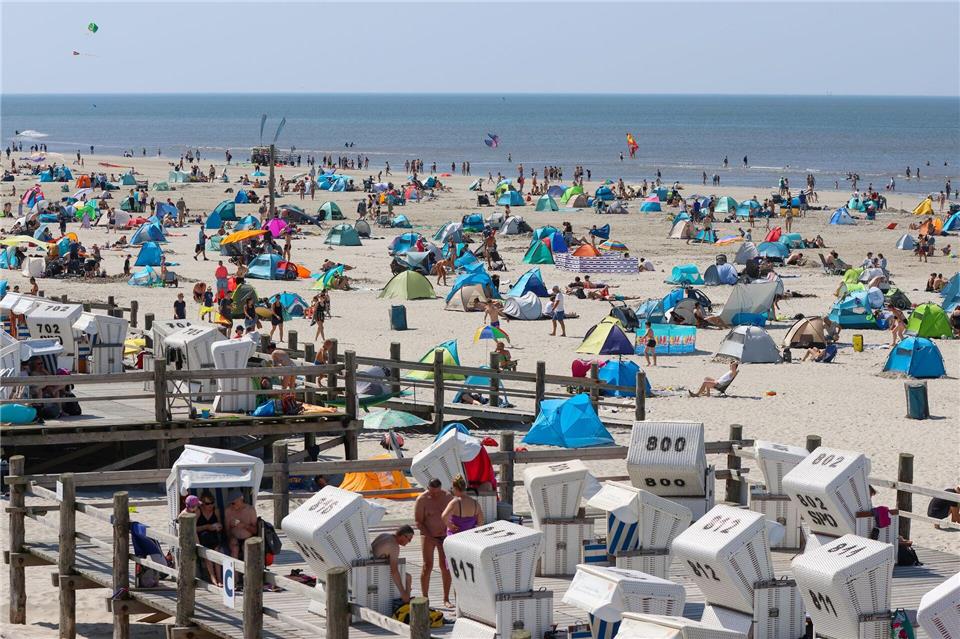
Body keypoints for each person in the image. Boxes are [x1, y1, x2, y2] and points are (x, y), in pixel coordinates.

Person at [414, 479, 452, 604]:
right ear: (428, 488)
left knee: (445, 566)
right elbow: (418, 522)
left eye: (437, 492)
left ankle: (446, 598)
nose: (434, 495)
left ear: (441, 488)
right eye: (432, 492)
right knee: (427, 566)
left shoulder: (447, 497)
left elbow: (454, 515)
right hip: (428, 535)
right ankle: (425, 597)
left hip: (444, 536)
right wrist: (431, 537)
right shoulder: (422, 499)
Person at [371, 525, 414, 603]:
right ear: (403, 536)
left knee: (406, 575)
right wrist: (403, 592)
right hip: (374, 573)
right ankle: (406, 599)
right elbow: (394, 571)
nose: (409, 542)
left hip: (371, 566)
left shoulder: (384, 535)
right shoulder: (394, 546)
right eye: (409, 539)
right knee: (408, 577)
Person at [195, 491, 224, 586]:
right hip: (202, 537)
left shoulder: (216, 511)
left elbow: (220, 525)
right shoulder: (199, 511)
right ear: (202, 503)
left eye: (212, 503)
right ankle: (213, 577)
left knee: (216, 551)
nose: (210, 505)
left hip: (213, 536)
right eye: (207, 503)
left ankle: (219, 579)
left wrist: (218, 527)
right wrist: (207, 526)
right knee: (208, 553)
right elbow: (193, 528)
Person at [223, 490, 257, 558]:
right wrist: (231, 536)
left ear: (241, 499)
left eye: (233, 503)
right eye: (230, 503)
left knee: (246, 548)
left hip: (248, 538)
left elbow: (255, 531)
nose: (232, 505)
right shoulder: (228, 511)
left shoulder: (250, 510)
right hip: (234, 539)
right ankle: (236, 568)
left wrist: (244, 526)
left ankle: (247, 568)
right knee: (234, 548)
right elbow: (226, 530)